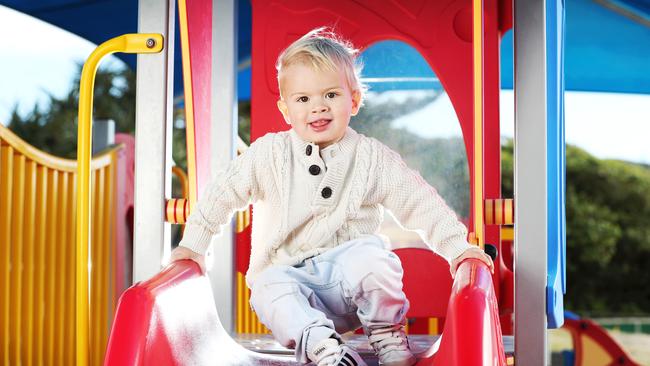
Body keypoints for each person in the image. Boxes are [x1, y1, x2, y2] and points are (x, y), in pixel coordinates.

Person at [170, 27, 494, 366]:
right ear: (285, 110)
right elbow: (222, 193)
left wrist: (458, 248)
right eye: (303, 99)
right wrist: (194, 244)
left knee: (373, 258)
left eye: (331, 95)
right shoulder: (268, 154)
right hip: (291, 285)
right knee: (266, 286)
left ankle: (387, 335)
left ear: (353, 100)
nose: (318, 108)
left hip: (349, 287)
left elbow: (420, 203)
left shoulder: (370, 157)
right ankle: (327, 351)